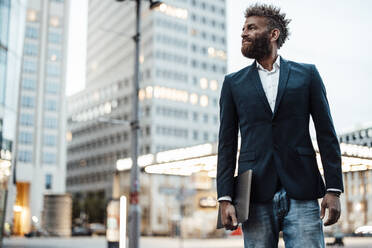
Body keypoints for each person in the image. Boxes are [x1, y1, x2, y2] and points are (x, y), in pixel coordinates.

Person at [216, 3, 343, 247]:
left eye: (251, 28)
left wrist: (334, 188)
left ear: (273, 34)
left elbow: (327, 135)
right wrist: (225, 197)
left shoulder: (307, 75)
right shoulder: (233, 83)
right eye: (243, 28)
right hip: (253, 195)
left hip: (303, 190)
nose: (243, 33)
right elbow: (227, 144)